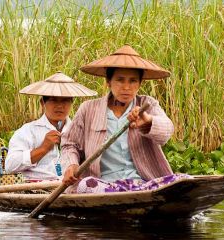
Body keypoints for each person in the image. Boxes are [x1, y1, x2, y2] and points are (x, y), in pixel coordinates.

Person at [61, 45, 190, 193]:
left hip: (143, 185)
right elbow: (69, 144)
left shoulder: (148, 104)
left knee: (185, 180)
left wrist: (148, 122)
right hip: (104, 185)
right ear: (108, 82)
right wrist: (71, 165)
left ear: (140, 83)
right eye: (120, 80)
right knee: (87, 185)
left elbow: (166, 131)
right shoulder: (88, 108)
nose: (126, 87)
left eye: (133, 81)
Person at [5, 72, 97, 181]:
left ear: (71, 103)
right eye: (53, 100)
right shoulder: (28, 131)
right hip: (35, 190)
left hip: (70, 189)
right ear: (42, 103)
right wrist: (43, 148)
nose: (60, 106)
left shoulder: (80, 131)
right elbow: (10, 166)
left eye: (65, 100)